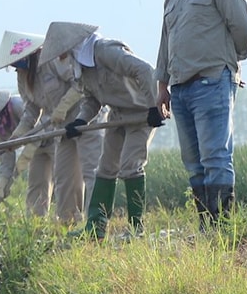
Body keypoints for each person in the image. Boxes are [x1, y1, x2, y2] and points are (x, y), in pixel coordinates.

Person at [155, 0, 247, 221]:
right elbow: (166, 40)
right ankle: (207, 225)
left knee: (215, 156)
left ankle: (223, 225)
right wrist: (161, 85)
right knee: (193, 162)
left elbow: (243, 27)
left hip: (212, 82)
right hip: (181, 87)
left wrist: (228, 61)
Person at [47, 22, 164, 236]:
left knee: (130, 166)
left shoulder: (106, 51)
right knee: (105, 169)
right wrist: (81, 121)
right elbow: (92, 99)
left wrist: (153, 106)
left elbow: (145, 70)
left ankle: (137, 229)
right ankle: (96, 227)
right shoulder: (80, 66)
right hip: (117, 116)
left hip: (140, 114)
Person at [0, 26, 88, 225]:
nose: (16, 68)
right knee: (61, 179)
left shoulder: (52, 61)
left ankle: (81, 222)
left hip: (80, 119)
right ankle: (64, 224)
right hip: (59, 129)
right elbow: (31, 110)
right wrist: (18, 135)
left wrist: (62, 107)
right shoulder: (22, 78)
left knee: (73, 177)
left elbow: (79, 84)